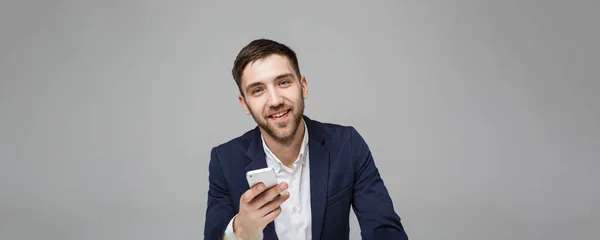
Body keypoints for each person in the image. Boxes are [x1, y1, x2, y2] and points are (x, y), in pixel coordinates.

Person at [204, 38, 408, 240]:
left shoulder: (347, 144)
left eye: (283, 82)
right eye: (258, 90)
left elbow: (384, 229)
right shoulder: (224, 161)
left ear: (303, 86)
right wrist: (240, 231)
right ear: (245, 104)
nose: (275, 101)